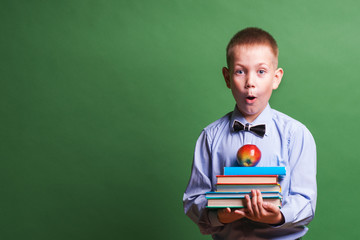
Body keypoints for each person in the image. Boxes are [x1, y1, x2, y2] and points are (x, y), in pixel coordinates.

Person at [183, 27, 317, 240]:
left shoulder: (297, 134)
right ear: (227, 78)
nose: (250, 82)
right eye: (240, 71)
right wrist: (219, 216)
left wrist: (277, 216)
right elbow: (193, 199)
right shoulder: (209, 137)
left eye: (261, 71)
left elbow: (306, 202)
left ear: (276, 77)